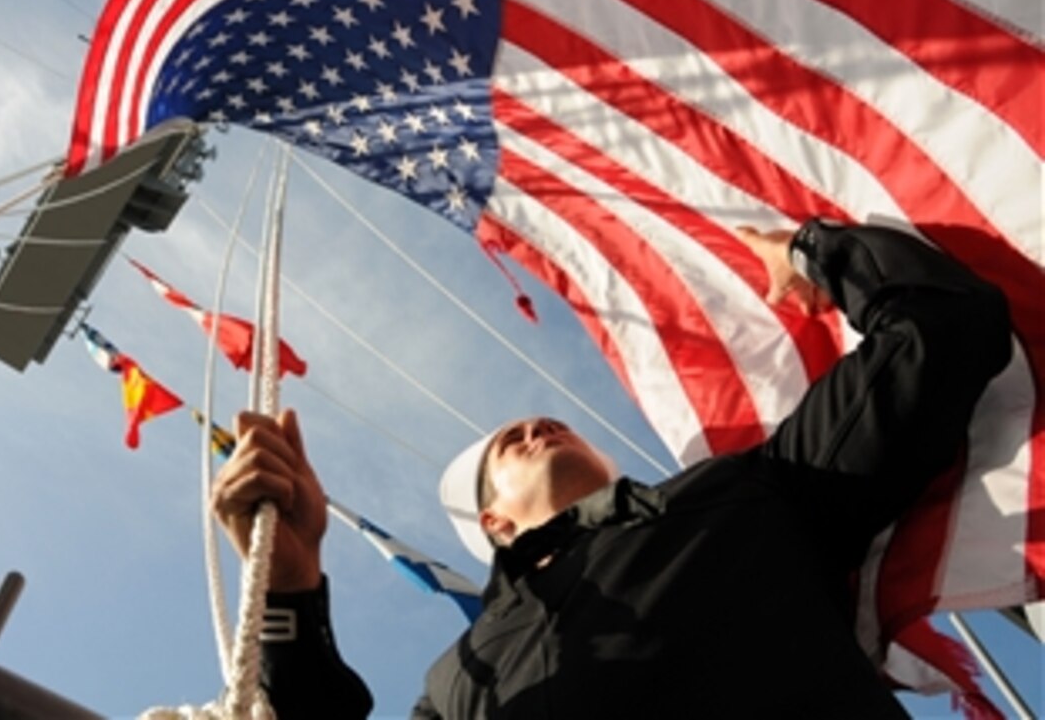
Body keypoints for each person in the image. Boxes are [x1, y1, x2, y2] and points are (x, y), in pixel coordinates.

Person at [213, 219, 1012, 719]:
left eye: (530, 425)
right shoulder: (458, 685)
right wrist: (289, 593)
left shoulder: (742, 494)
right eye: (505, 449)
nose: (528, 424)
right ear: (493, 524)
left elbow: (941, 330)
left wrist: (814, 249)